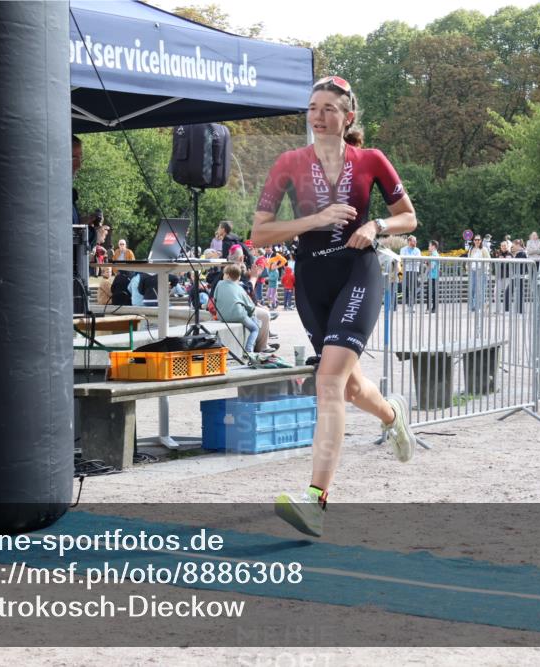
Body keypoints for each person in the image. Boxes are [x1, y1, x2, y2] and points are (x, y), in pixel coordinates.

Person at [251, 74, 418, 537]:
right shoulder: (289, 163)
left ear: (348, 118)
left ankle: (314, 501)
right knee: (345, 388)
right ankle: (392, 415)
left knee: (327, 381)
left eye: (329, 108)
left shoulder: (371, 160)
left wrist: (378, 226)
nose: (319, 116)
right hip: (311, 282)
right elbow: (260, 233)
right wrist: (316, 219)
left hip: (357, 273)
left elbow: (411, 217)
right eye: (313, 107)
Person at [213, 264, 260, 356]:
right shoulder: (240, 288)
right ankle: (248, 350)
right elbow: (251, 306)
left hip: (222, 317)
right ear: (238, 277)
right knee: (255, 328)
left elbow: (215, 299)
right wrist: (250, 314)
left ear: (227, 275)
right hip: (238, 315)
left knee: (253, 319)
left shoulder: (219, 284)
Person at [400, 235, 421, 306]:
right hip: (406, 271)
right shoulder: (403, 249)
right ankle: (408, 304)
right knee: (407, 287)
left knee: (414, 287)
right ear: (409, 241)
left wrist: (408, 260)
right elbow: (402, 260)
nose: (415, 242)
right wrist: (413, 260)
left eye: (416, 241)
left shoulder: (417, 250)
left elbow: (418, 260)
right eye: (414, 241)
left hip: (415, 271)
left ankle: (412, 304)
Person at [427, 240, 440, 313]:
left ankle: (431, 308)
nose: (428, 247)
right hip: (434, 276)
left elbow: (432, 266)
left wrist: (427, 263)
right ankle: (433, 308)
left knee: (430, 292)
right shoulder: (434, 254)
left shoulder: (434, 255)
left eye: (429, 245)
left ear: (433, 246)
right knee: (433, 292)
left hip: (433, 276)